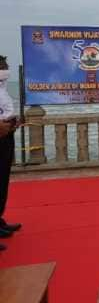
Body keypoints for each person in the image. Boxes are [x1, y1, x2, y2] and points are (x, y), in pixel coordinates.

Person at [0, 55, 21, 250]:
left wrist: (13, 122)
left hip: (6, 135)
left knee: (2, 180)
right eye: (3, 66)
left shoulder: (3, 90)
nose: (6, 70)